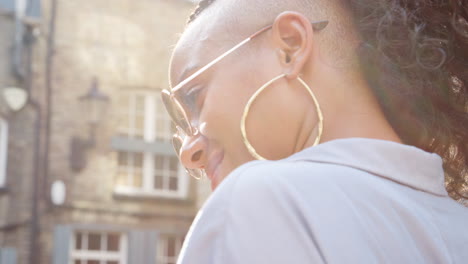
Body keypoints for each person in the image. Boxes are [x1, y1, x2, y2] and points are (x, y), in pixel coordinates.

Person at [161, 0, 468, 263]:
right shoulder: (457, 224)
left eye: (195, 95)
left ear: (290, 47)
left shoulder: (263, 201)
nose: (189, 153)